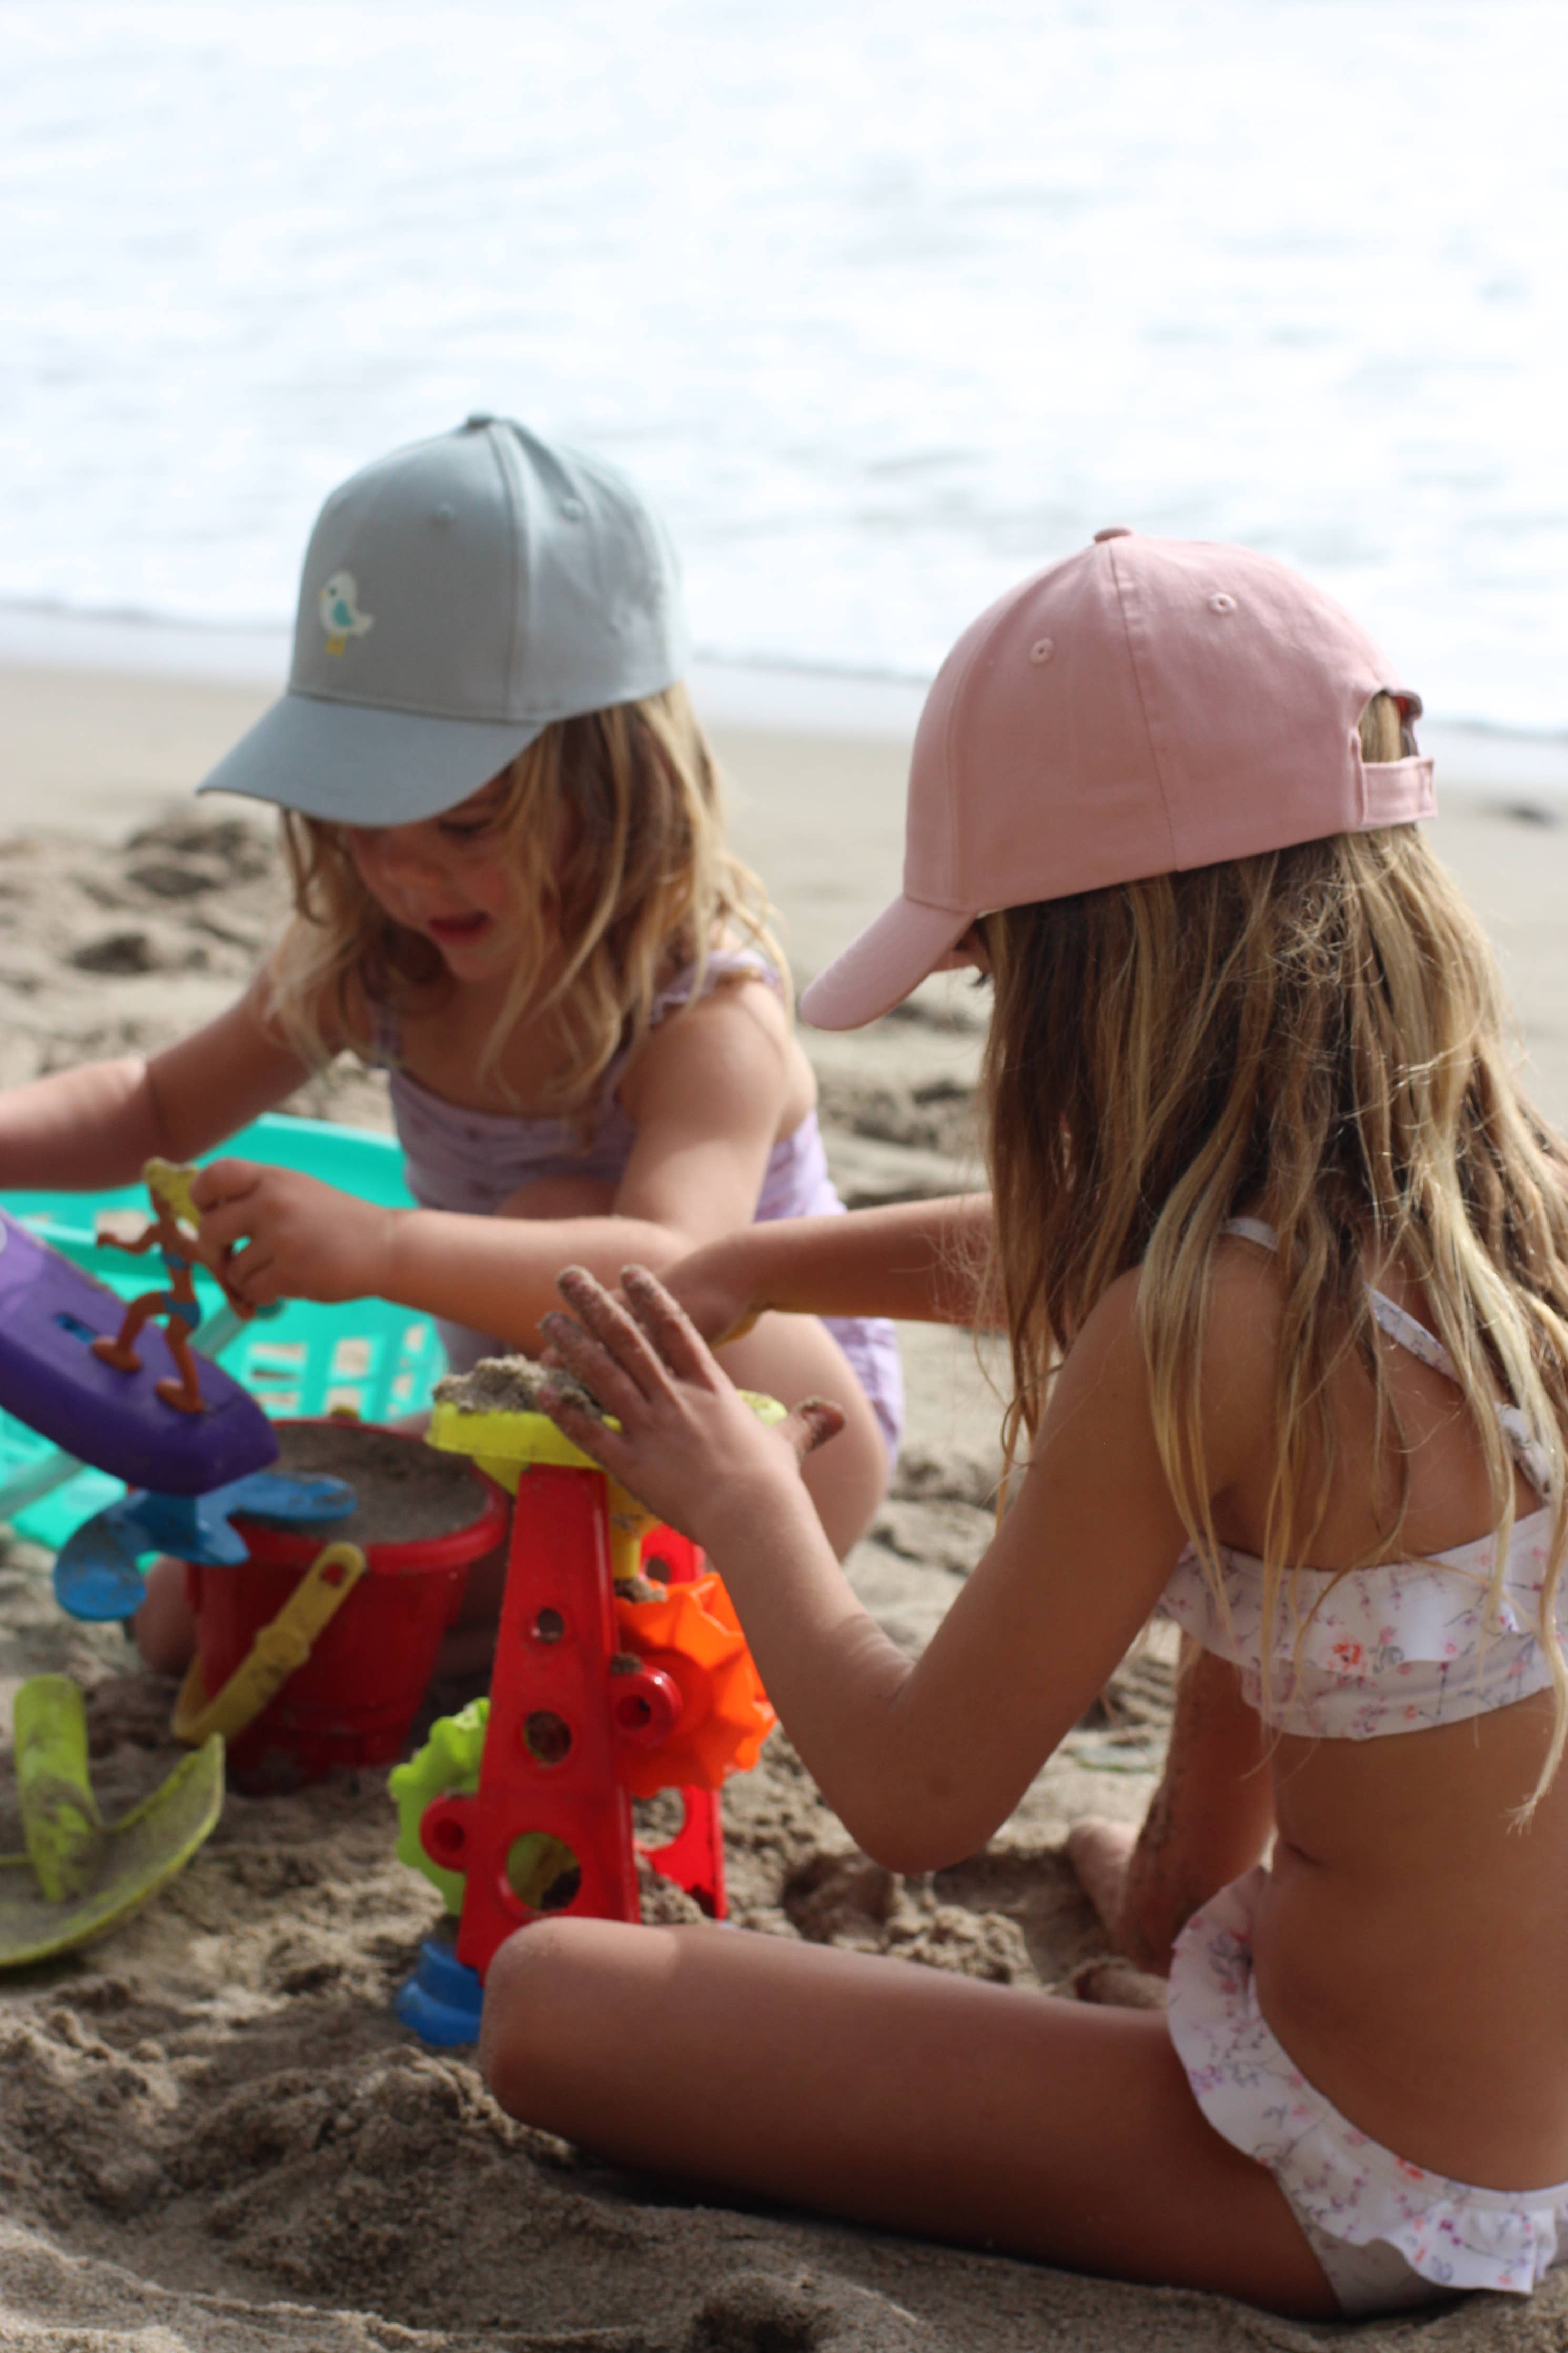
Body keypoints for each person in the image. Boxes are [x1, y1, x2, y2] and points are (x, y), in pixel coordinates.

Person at [476, 531, 1568, 2320]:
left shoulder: (1192, 1328)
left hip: (1373, 2189)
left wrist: (743, 1487)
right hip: (1505, 2085)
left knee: (555, 2004)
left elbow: (914, 1798)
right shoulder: (1491, 1200)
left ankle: (1192, 1982)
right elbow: (1070, 1257)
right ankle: (1171, 1921)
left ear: (1094, 975)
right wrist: (762, 1252)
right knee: (1270, 1634)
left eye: (993, 977)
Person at [0, 417, 899, 1666]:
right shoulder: (374, 960)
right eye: (361, 820)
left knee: (555, 1215)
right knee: (185, 1613)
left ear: (623, 782)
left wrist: (378, 1247)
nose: (406, 870)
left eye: (467, 821)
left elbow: (677, 1270)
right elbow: (153, 1104)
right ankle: (538, 1620)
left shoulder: (704, 1016)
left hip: (776, 1446)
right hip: (535, 1428)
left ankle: (610, 1618)